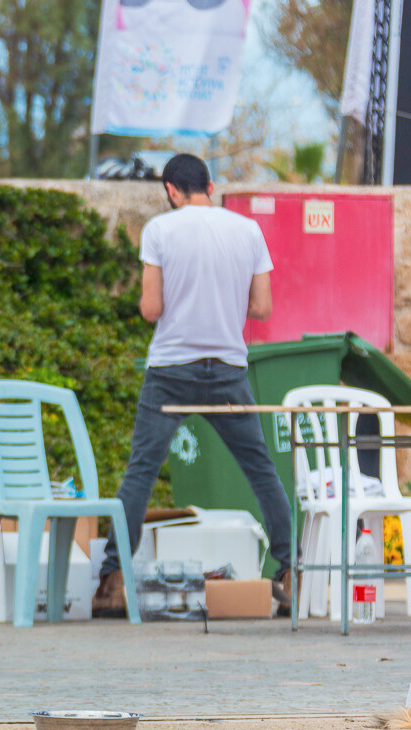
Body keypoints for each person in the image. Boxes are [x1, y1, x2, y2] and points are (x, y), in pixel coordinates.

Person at [92, 154, 293, 617]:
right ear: (211, 185)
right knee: (261, 471)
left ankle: (112, 579)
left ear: (170, 190)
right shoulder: (247, 231)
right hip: (227, 370)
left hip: (171, 372)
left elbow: (150, 309)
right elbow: (261, 308)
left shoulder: (160, 231)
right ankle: (289, 571)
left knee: (141, 471)